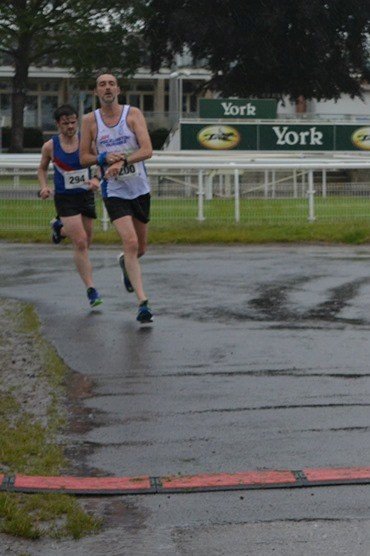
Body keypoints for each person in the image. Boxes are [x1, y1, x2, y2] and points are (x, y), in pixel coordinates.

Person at [79, 73, 153, 323]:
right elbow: (83, 158)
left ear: (118, 89)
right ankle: (143, 303)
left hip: (139, 188)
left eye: (111, 84)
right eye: (102, 84)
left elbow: (147, 150)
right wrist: (101, 159)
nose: (107, 88)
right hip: (114, 190)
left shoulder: (132, 114)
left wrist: (122, 161)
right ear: (96, 92)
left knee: (141, 247)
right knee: (130, 242)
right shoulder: (90, 121)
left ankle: (125, 264)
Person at [38, 104, 103, 308]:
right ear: (58, 124)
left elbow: (100, 162)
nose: (70, 126)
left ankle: (59, 228)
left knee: (87, 240)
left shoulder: (86, 142)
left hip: (85, 196)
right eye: (65, 123)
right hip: (65, 198)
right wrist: (44, 187)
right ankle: (91, 289)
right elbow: (41, 169)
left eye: (73, 122)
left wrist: (96, 179)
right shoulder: (50, 146)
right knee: (81, 242)